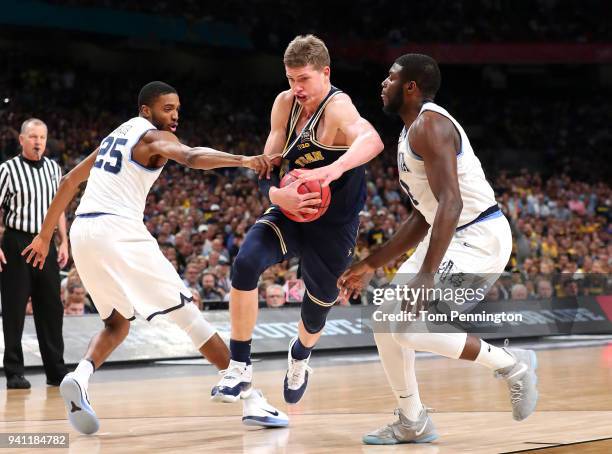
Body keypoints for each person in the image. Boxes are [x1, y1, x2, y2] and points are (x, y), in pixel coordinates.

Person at [22, 81, 287, 434]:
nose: (175, 115)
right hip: (119, 230)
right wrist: (243, 159)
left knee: (116, 323)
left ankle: (81, 376)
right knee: (188, 314)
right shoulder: (153, 137)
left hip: (84, 231)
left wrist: (44, 235)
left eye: (177, 108)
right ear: (146, 111)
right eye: (167, 108)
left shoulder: (114, 137)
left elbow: (69, 180)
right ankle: (252, 398)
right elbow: (192, 157)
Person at [338, 54, 539, 444]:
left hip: (477, 236)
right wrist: (371, 264)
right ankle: (412, 420)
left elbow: (452, 203)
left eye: (391, 77)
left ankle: (514, 366)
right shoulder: (410, 131)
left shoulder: (430, 124)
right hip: (448, 234)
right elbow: (422, 216)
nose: (383, 83)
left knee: (410, 327)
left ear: (410, 87)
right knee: (386, 319)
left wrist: (426, 277)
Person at [212, 35, 384, 405]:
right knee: (245, 263)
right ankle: (239, 367)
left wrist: (332, 171)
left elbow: (372, 141)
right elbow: (268, 165)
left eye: (303, 79)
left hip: (335, 224)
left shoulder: (338, 107)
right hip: (291, 208)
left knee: (318, 306)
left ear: (325, 72)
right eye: (290, 79)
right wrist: (277, 195)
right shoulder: (284, 104)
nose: (296, 87)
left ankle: (300, 356)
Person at [0, 118, 69, 389]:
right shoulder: (7, 170)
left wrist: (64, 241)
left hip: (46, 242)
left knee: (51, 308)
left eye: (42, 136)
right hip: (17, 243)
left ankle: (56, 371)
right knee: (15, 309)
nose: (38, 141)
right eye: (32, 136)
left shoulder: (54, 169)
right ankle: (14, 372)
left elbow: (60, 207)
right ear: (21, 139)